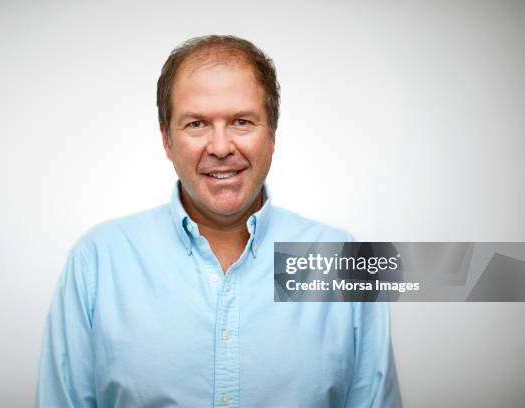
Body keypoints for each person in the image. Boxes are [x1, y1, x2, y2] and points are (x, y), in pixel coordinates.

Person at [35, 34, 402, 408]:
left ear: (272, 134)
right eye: (196, 124)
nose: (222, 147)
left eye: (242, 121)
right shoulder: (96, 261)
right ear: (166, 139)